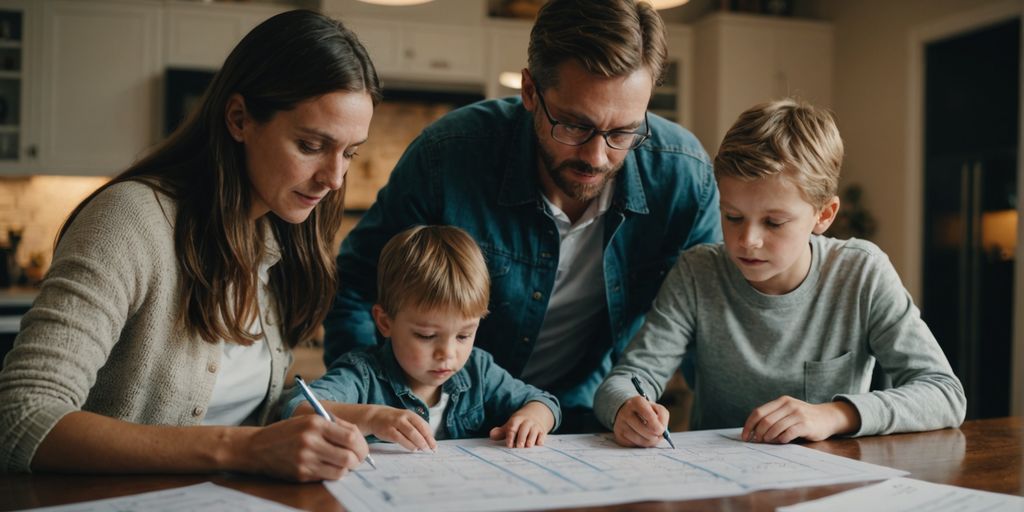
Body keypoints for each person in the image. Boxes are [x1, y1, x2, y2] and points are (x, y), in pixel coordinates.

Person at [0, 10, 381, 481]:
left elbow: (239, 410)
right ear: (239, 119)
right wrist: (243, 449)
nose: (334, 178)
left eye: (349, 152)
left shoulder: (280, 237)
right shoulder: (132, 221)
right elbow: (20, 417)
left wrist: (329, 415)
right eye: (310, 145)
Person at [326, 0, 721, 432]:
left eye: (623, 132)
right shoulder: (448, 156)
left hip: (588, 419)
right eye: (573, 125)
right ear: (530, 92)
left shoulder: (683, 176)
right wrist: (371, 403)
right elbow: (359, 288)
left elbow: (708, 321)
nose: (597, 156)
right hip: (447, 421)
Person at [594, 98, 967, 447]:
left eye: (774, 222)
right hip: (722, 485)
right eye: (733, 217)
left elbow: (944, 394)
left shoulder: (862, 272)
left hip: (829, 485)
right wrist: (628, 406)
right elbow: (625, 380)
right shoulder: (698, 271)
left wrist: (835, 414)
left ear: (824, 215)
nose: (747, 241)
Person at [286, 225, 561, 449]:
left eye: (464, 335)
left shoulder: (479, 371)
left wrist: (532, 418)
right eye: (427, 335)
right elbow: (295, 408)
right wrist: (371, 417)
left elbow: (543, 402)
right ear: (385, 322)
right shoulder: (363, 374)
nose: (448, 353)